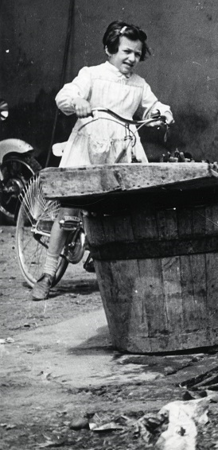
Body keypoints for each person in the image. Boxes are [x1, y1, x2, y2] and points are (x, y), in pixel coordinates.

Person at [32, 20, 173, 300]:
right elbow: (65, 95)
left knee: (118, 207)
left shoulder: (138, 84)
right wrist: (77, 103)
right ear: (110, 49)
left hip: (119, 151)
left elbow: (154, 104)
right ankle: (48, 274)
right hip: (88, 149)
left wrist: (162, 113)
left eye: (137, 54)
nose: (132, 58)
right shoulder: (92, 75)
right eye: (126, 52)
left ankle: (100, 255)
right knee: (70, 211)